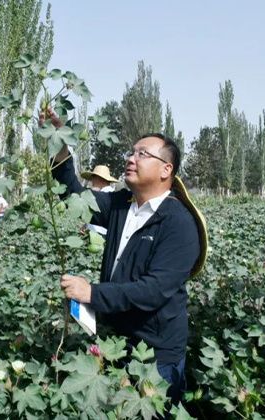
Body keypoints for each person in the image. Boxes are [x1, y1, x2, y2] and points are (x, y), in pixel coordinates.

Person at [52, 133, 206, 404]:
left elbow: (154, 290)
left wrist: (92, 293)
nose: (131, 159)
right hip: (116, 344)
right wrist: (58, 141)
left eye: (142, 154)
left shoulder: (178, 223)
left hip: (155, 356)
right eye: (131, 153)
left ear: (165, 169)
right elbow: (75, 195)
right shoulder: (120, 204)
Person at [81, 165, 119, 236]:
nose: (92, 181)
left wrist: (87, 227)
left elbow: (101, 227)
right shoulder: (111, 194)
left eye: (93, 177)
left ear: (100, 178)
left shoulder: (107, 197)